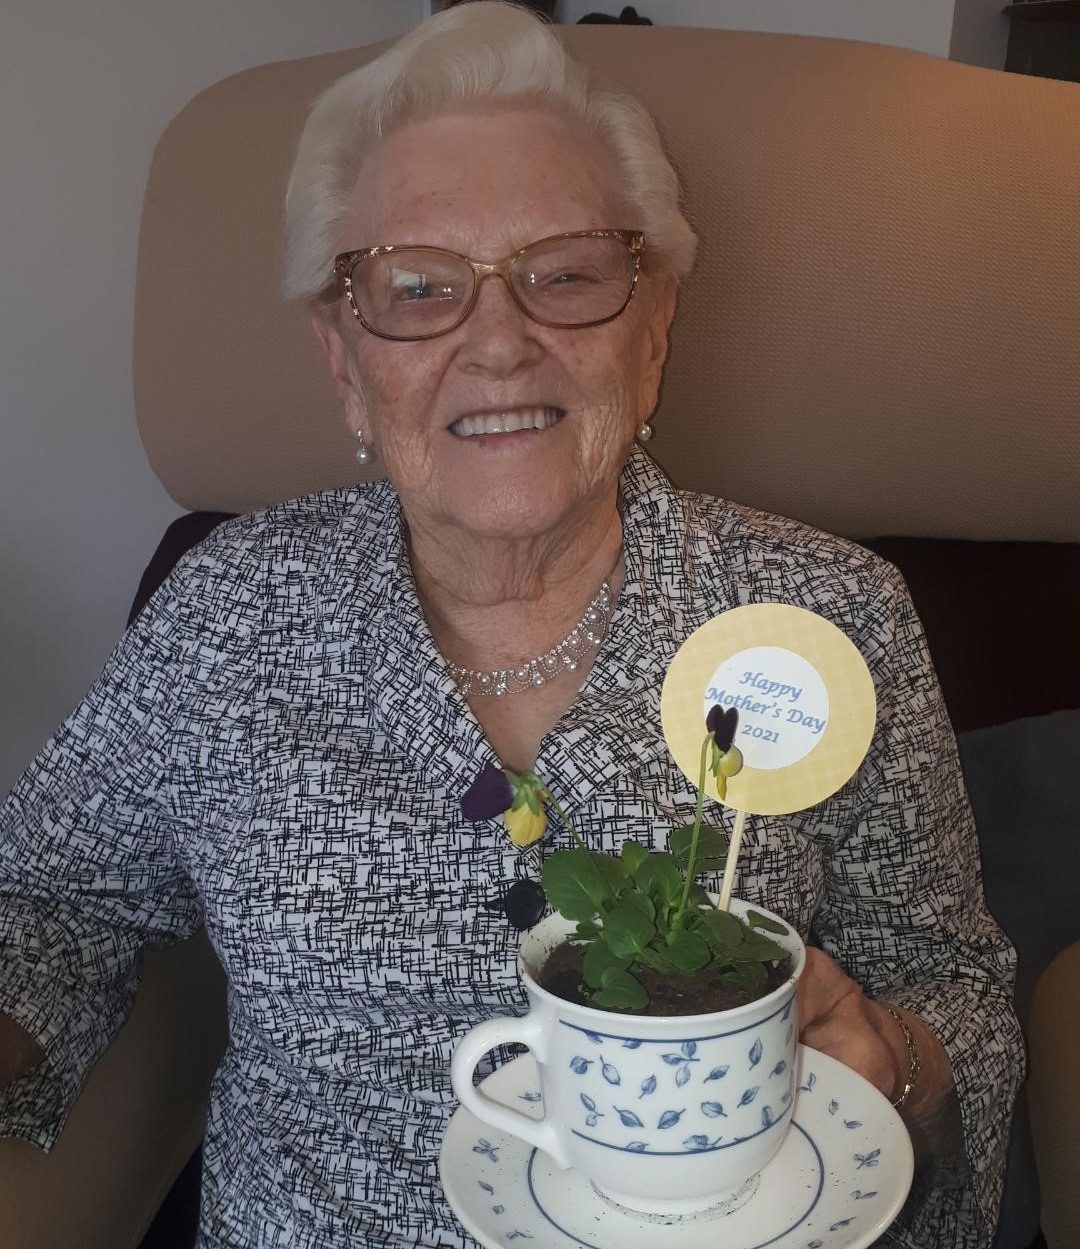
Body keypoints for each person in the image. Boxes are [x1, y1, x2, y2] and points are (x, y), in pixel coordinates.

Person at [0, 3, 1020, 1246]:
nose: (497, 341)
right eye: (418, 286)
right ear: (344, 360)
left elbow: (953, 987)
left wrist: (901, 1064)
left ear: (653, 336)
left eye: (568, 273)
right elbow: (51, 898)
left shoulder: (825, 613)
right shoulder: (230, 613)